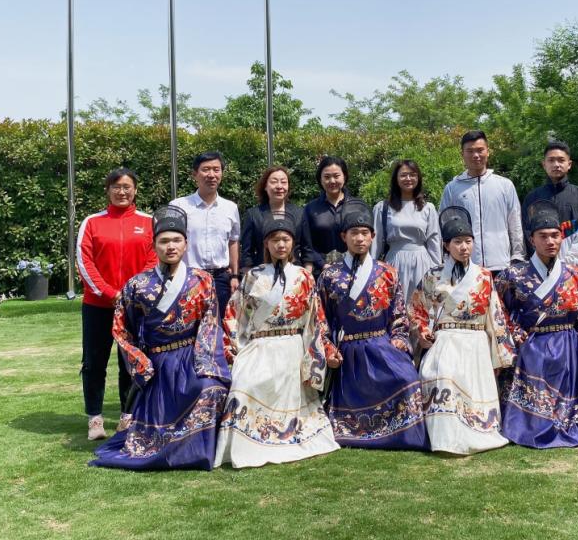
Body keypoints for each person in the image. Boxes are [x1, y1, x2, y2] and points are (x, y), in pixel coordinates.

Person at [91, 205, 231, 471]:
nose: (171, 246)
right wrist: (140, 361)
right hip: (157, 363)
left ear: (186, 244)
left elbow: (210, 325)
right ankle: (171, 448)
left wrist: (207, 365)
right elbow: (122, 330)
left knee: (211, 389)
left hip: (192, 357)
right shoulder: (137, 285)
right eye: (164, 241)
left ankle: (196, 451)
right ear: (154, 246)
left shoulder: (202, 280)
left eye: (176, 240)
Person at [215, 213, 340, 468]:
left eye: (285, 239)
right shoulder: (253, 276)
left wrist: (323, 351)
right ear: (266, 244)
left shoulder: (304, 277)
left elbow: (316, 320)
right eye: (274, 240)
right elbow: (234, 316)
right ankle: (248, 443)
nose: (280, 245)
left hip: (292, 347)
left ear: (292, 242)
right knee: (243, 385)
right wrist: (234, 351)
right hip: (259, 346)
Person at [495, 201, 578, 449]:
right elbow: (500, 312)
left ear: (562, 238)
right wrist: (518, 339)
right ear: (531, 239)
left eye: (555, 235)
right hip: (531, 348)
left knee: (566, 415)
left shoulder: (574, 274)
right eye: (543, 236)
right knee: (530, 419)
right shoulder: (513, 275)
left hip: (567, 349)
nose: (550, 241)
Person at [317, 200, 428, 451]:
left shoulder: (387, 272)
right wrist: (328, 348)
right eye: (354, 233)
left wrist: (398, 340)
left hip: (381, 345)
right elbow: (320, 318)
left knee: (407, 379)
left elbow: (399, 315)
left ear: (373, 236)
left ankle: (403, 434)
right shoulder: (329, 275)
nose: (360, 239)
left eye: (365, 233)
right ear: (344, 237)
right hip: (347, 350)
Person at [411, 206, 516, 455]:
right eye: (457, 242)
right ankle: (444, 439)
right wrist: (422, 330)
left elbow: (495, 314)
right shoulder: (432, 275)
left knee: (473, 388)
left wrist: (501, 350)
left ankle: (477, 430)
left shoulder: (484, 276)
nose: (464, 247)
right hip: (444, 340)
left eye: (468, 241)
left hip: (475, 341)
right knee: (442, 376)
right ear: (446, 245)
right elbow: (417, 308)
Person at [76, 167, 156, 441]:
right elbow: (85, 262)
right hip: (98, 306)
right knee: (94, 362)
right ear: (108, 190)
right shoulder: (92, 222)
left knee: (131, 363)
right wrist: (110, 293)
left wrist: (132, 294)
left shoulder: (148, 222)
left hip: (135, 307)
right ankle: (95, 419)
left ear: (135, 190)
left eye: (127, 187)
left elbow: (153, 260)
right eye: (116, 187)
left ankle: (127, 417)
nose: (122, 192)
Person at [440, 130, 524, 277]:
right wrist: (447, 259)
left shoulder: (505, 185)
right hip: (465, 264)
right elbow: (444, 226)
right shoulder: (452, 188)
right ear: (462, 154)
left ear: (488, 152)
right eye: (470, 151)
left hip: (501, 264)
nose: (476, 155)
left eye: (480, 150)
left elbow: (515, 223)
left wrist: (517, 256)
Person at [171, 151, 241, 321]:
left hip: (221, 279)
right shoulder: (179, 206)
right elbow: (171, 242)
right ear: (195, 174)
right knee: (188, 326)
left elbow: (233, 242)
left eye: (216, 170)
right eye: (206, 169)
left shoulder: (230, 208)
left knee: (220, 326)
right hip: (188, 278)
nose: (211, 175)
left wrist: (234, 276)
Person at [370, 159, 442, 310]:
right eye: (403, 175)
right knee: (395, 308)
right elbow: (376, 243)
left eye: (412, 175)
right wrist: (372, 271)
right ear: (396, 179)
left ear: (418, 178)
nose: (408, 178)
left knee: (421, 309)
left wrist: (437, 272)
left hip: (422, 263)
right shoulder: (383, 208)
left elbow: (434, 241)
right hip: (394, 262)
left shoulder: (428, 208)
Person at [520, 141, 578, 272]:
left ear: (569, 164)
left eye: (561, 160)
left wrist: (565, 265)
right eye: (551, 160)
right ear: (544, 164)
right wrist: (543, 262)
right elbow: (527, 232)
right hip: (540, 271)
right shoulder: (532, 198)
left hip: (574, 271)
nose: (556, 164)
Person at [239, 166, 308, 272]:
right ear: (265, 186)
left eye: (283, 182)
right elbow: (247, 252)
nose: (279, 186)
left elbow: (307, 249)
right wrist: (249, 276)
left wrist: (307, 274)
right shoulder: (253, 214)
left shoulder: (300, 213)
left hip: (294, 273)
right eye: (274, 182)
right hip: (262, 273)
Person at [301, 156, 354, 279]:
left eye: (336, 176)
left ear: (344, 176)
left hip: (352, 270)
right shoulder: (310, 208)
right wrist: (322, 264)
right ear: (320, 179)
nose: (332, 181)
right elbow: (306, 243)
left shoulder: (357, 206)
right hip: (320, 272)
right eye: (327, 177)